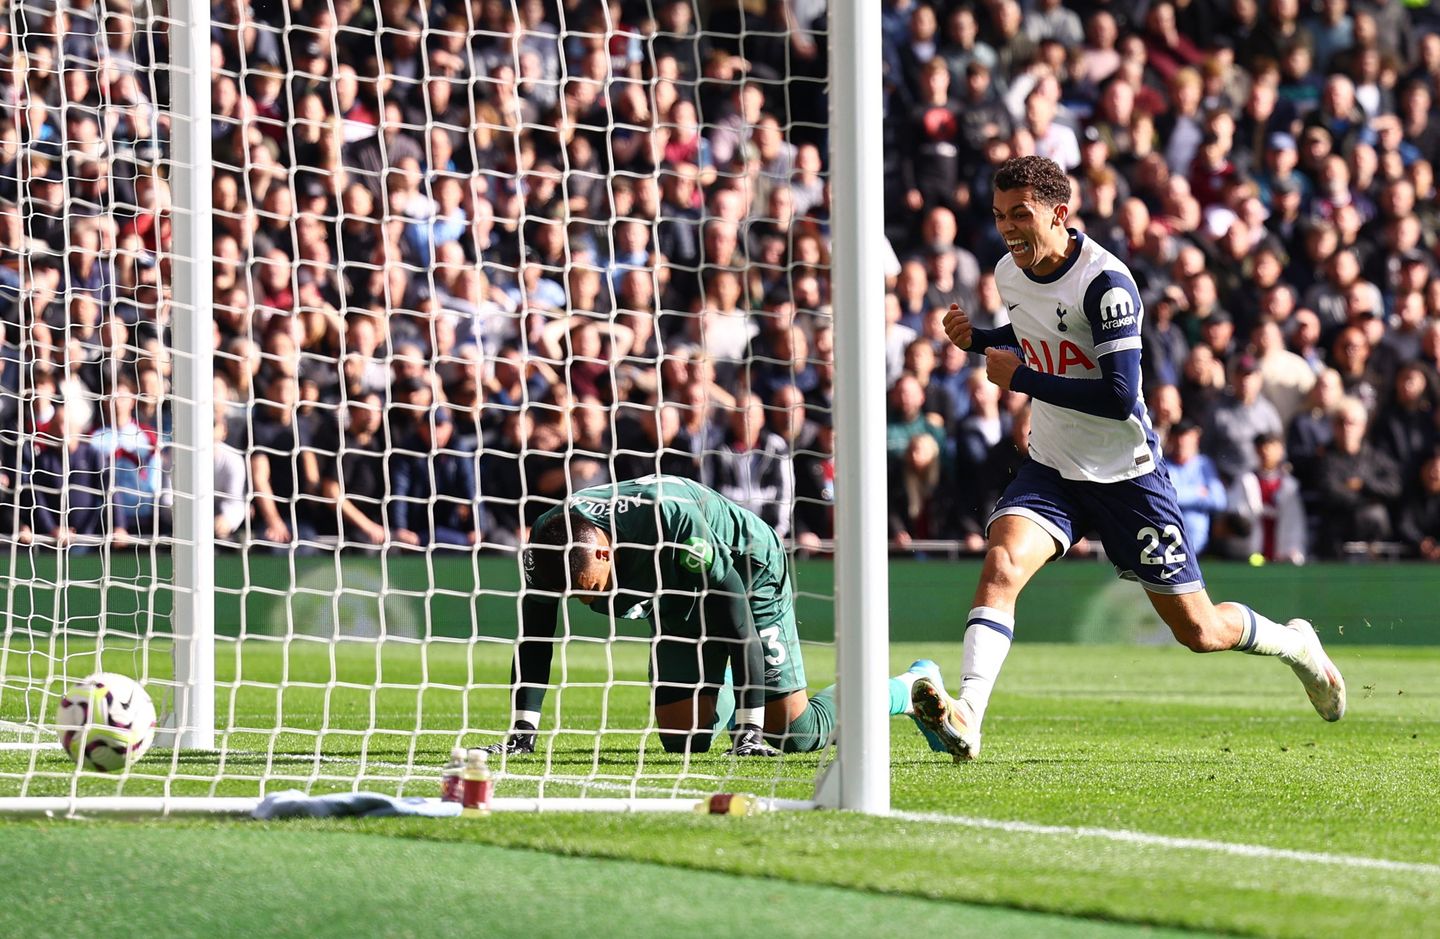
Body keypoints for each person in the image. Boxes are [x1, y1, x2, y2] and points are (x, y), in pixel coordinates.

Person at [912, 156, 1346, 763]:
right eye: (999, 216)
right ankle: (969, 715)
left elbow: (1119, 396)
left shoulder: (1106, 284)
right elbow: (1038, 334)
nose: (1007, 229)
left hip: (1126, 477)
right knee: (1002, 563)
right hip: (1054, 468)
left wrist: (1024, 380)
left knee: (1200, 631)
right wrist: (979, 340)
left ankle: (1296, 646)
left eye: (1021, 215)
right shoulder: (1010, 272)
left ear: (1059, 214)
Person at [483, 476, 947, 757]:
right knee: (684, 741)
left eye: (591, 591)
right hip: (673, 589)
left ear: (606, 551)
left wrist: (748, 730)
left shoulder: (671, 522)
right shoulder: (548, 542)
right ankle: (723, 687)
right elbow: (534, 638)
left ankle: (908, 688)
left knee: (793, 733)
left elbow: (735, 616)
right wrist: (523, 730)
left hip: (745, 570)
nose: (588, 603)